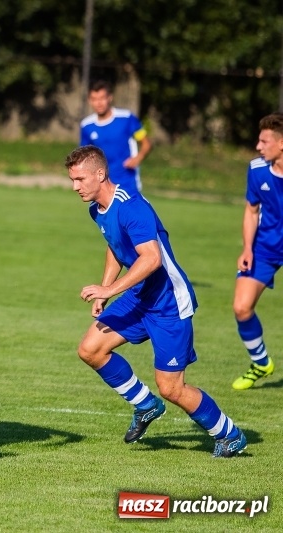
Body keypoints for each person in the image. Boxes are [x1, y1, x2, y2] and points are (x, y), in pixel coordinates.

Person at [65, 145, 247, 458]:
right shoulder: (97, 209)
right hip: (138, 297)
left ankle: (229, 434)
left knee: (171, 387)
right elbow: (115, 245)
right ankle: (145, 404)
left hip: (168, 304)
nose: (75, 186)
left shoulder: (131, 206)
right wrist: (106, 288)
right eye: (72, 180)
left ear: (100, 174)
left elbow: (151, 259)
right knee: (90, 349)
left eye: (80, 179)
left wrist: (109, 291)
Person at [231, 113, 283, 389]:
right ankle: (261, 362)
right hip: (266, 246)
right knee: (241, 307)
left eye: (264, 141)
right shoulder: (257, 169)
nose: (258, 146)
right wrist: (247, 248)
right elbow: (251, 211)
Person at [80, 80, 152, 197]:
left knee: (129, 214)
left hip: (127, 181)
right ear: (89, 101)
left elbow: (146, 143)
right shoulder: (87, 126)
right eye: (94, 99)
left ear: (110, 98)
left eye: (102, 98)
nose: (99, 103)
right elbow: (85, 155)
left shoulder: (126, 118)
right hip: (102, 184)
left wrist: (138, 158)